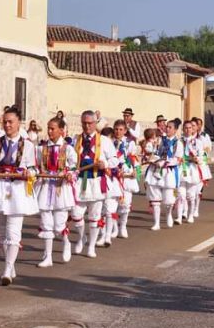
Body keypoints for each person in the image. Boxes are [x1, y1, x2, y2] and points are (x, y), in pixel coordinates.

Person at [0, 106, 39, 286]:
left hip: (18, 190)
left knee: (14, 231)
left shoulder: (28, 145)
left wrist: (29, 173)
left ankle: (7, 269)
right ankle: (9, 263)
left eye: (10, 122)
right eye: (4, 122)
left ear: (19, 122)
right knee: (1, 231)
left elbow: (35, 168)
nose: (7, 125)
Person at [71, 111, 119, 258]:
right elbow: (70, 159)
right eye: (84, 123)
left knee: (95, 216)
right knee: (76, 214)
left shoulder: (104, 140)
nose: (87, 126)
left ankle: (91, 246)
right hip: (80, 182)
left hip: (97, 181)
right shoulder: (76, 139)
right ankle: (81, 238)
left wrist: (105, 164)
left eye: (90, 123)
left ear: (95, 123)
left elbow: (115, 159)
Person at [34, 117, 77, 267]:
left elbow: (73, 167)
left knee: (59, 225)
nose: (50, 131)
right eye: (48, 128)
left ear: (61, 130)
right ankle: (48, 256)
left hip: (61, 189)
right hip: (45, 187)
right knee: (46, 223)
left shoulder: (68, 149)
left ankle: (66, 242)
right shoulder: (41, 148)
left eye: (53, 128)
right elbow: (37, 165)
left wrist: (68, 173)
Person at [144, 118, 183, 231]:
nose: (168, 129)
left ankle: (169, 214)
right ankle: (156, 223)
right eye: (167, 126)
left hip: (168, 172)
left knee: (168, 200)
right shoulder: (160, 140)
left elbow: (178, 159)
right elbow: (154, 152)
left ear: (175, 130)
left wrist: (166, 162)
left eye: (170, 127)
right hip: (156, 170)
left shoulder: (178, 143)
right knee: (155, 197)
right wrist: (152, 158)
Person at [111, 120, 140, 239]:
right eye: (116, 129)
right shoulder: (109, 142)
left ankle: (123, 226)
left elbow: (134, 158)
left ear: (125, 131)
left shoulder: (130, 143)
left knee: (125, 203)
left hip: (126, 173)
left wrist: (135, 171)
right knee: (111, 203)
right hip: (113, 174)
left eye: (121, 129)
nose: (118, 132)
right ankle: (114, 227)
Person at [176, 120, 203, 225]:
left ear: (193, 129)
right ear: (183, 129)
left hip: (192, 169)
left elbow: (201, 156)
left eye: (190, 128)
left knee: (191, 195)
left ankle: (191, 215)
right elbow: (177, 155)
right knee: (180, 195)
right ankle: (179, 216)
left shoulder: (198, 142)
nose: (188, 130)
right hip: (182, 169)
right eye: (185, 128)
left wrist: (196, 159)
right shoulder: (179, 142)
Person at [192, 117, 213, 218]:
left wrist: (201, 158)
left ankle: (196, 208)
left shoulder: (204, 136)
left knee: (198, 189)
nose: (193, 127)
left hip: (201, 162)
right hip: (188, 165)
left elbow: (208, 148)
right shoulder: (185, 138)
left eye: (196, 125)